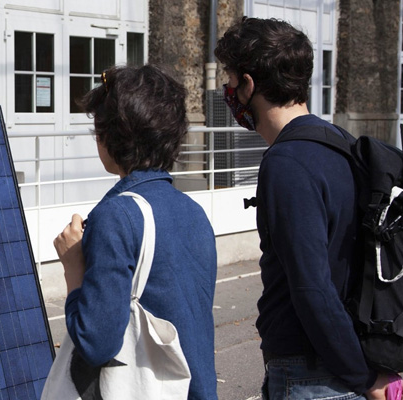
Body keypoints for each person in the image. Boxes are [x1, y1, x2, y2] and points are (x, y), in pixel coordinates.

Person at [214, 17, 396, 399]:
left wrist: (363, 379)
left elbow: (312, 287)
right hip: (344, 364)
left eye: (229, 81)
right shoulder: (340, 144)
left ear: (248, 85)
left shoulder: (287, 163)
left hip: (314, 377)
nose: (228, 91)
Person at [53, 64, 218, 399]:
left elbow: (96, 342)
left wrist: (73, 267)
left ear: (111, 136)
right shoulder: (194, 212)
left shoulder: (116, 216)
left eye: (97, 131)